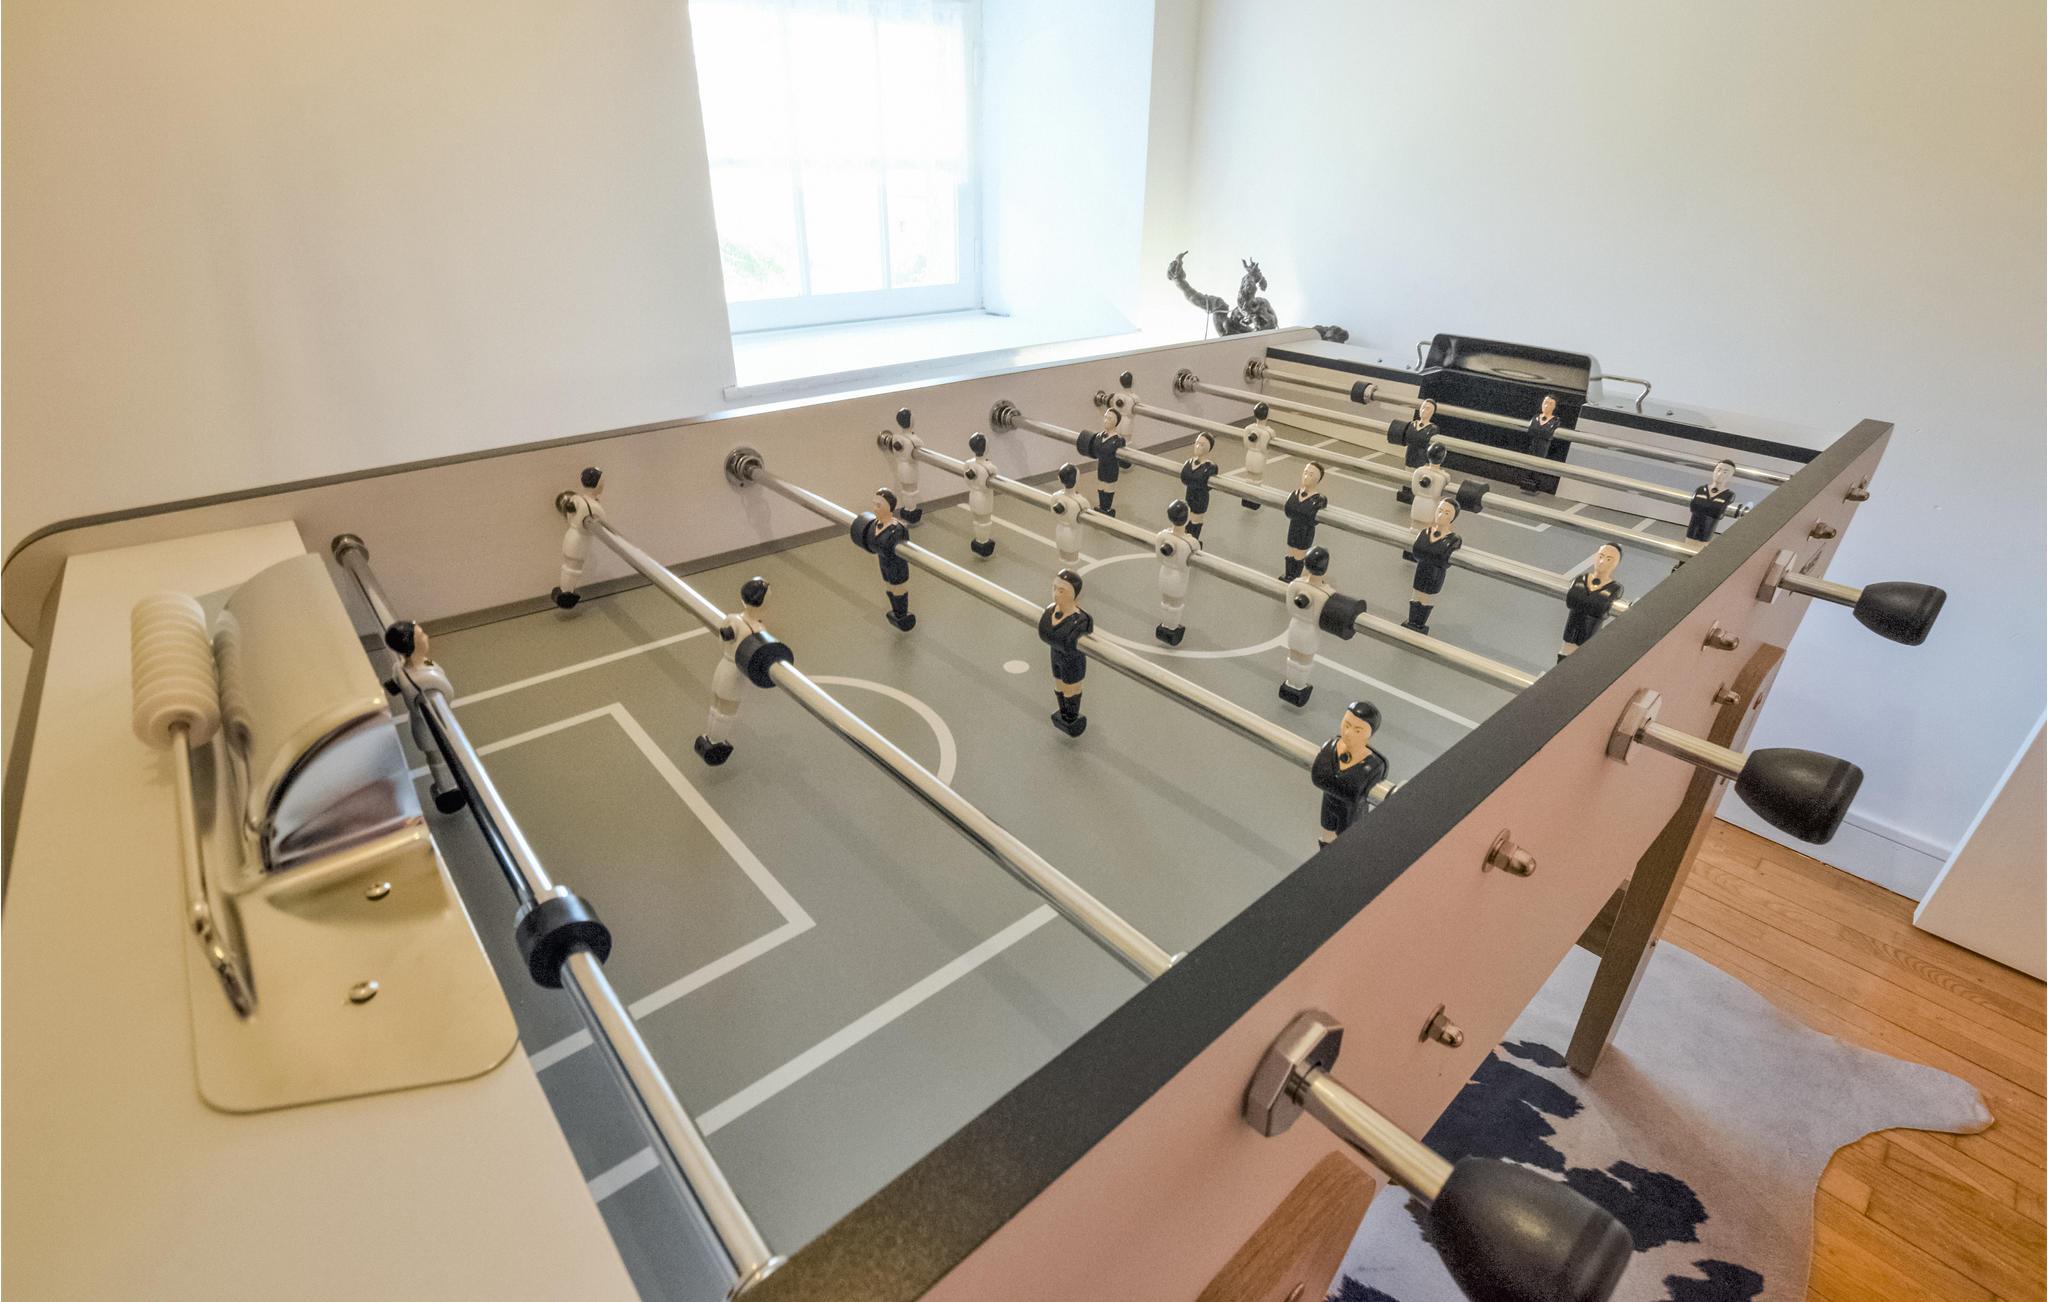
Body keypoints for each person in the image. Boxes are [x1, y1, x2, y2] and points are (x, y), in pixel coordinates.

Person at [384, 621, 466, 814]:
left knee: (441, 757)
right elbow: (447, 694)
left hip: (425, 723)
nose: (426, 637)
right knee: (438, 759)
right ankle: (447, 789)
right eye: (421, 635)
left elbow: (394, 684)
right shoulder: (427, 680)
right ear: (411, 643)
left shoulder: (403, 666)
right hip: (432, 727)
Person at [694, 577, 771, 765]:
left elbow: (722, 641)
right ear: (761, 602)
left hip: (723, 665)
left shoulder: (731, 618)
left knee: (716, 705)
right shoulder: (757, 629)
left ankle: (709, 737)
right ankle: (716, 742)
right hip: (736, 673)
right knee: (727, 710)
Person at [1312, 700, 1388, 849]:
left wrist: (1334, 784)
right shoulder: (1330, 747)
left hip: (1351, 814)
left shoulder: (1374, 766)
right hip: (1329, 805)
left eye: (1357, 730)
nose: (1348, 733)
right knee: (1327, 835)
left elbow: (1325, 779)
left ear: (1369, 734)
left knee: (1347, 842)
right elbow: (1318, 778)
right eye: (1346, 725)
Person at [1039, 569, 1094, 736]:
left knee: (1071, 688)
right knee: (1058, 685)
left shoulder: (1082, 620)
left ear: (1074, 594)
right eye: (1054, 588)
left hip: (1072, 661)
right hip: (1056, 654)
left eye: (1061, 590)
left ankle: (1071, 715)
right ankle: (1063, 711)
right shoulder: (1050, 611)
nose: (1056, 594)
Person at [855, 488, 916, 630]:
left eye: (879, 505)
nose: (875, 508)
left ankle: (901, 613)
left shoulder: (898, 529)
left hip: (897, 566)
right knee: (889, 586)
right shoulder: (874, 525)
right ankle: (895, 611)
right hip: (884, 562)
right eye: (874, 504)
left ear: (890, 507)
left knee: (897, 588)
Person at [1403, 497, 1464, 634]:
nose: (1441, 515)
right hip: (1421, 570)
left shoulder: (1453, 539)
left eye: (1447, 513)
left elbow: (1442, 559)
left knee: (1425, 598)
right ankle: (1412, 621)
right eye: (1439, 510)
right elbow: (1417, 552)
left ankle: (1419, 623)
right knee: (1416, 596)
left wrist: (1429, 554)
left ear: (1453, 517)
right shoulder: (1425, 532)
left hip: (1434, 574)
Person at [551, 466, 606, 609]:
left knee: (568, 566)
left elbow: (570, 509)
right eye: (602, 482)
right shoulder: (594, 507)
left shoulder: (576, 499)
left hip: (571, 536)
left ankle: (566, 591)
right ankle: (566, 594)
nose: (603, 485)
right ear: (597, 484)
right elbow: (603, 524)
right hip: (579, 540)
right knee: (573, 568)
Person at [1558, 545, 1624, 661]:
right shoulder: (1580, 580)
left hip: (1587, 646)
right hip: (1567, 642)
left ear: (1616, 564)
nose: (1602, 562)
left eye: (1609, 559)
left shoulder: (1614, 589)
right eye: (1600, 556)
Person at [1155, 500, 1199, 646]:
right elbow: (1191, 557)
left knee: (1165, 602)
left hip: (1164, 572)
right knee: (1175, 604)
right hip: (1179, 577)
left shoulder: (1161, 536)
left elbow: (1159, 557)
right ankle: (1172, 627)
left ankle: (1164, 624)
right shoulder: (1189, 542)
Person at [1078, 402, 1129, 516]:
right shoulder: (1099, 436)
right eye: (1105, 417)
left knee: (1108, 488)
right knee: (1101, 487)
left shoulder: (1118, 440)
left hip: (1111, 469)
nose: (1106, 420)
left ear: (1116, 422)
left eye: (1109, 419)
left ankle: (1107, 508)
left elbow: (1123, 459)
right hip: (1101, 467)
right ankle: (1102, 507)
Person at [1281, 461, 1329, 580]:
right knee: (1291, 552)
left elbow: (1311, 518)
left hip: (1305, 531)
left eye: (1311, 474)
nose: (1306, 476)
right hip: (1293, 527)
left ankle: (1295, 577)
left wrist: (1300, 513)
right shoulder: (1294, 493)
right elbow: (1289, 510)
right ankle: (1288, 574)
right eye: (1305, 472)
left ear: (1318, 479)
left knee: (1299, 554)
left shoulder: (1319, 499)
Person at [879, 408, 924, 524]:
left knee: (905, 490)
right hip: (910, 469)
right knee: (912, 491)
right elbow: (921, 445)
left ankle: (907, 510)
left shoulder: (896, 437)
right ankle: (911, 511)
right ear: (911, 421)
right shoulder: (913, 440)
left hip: (901, 468)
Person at [1394, 399, 1441, 503]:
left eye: (1427, 409)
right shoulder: (1412, 425)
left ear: (1432, 412)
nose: (1424, 410)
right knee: (1407, 477)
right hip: (1410, 456)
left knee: (1418, 479)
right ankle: (1406, 493)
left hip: (1421, 459)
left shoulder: (1433, 429)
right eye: (1422, 407)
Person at [1179, 431, 1219, 539]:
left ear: (1209, 448)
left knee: (1195, 521)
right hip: (1189, 495)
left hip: (1200, 498)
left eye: (1202, 445)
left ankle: (1194, 540)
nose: (1197, 447)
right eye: (1197, 443)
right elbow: (1184, 478)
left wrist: (1194, 481)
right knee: (1187, 519)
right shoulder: (1189, 462)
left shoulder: (1210, 467)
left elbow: (1205, 484)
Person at [963, 432, 998, 558]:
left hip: (973, 495)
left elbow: (967, 479)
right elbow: (995, 474)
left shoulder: (968, 464)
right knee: (985, 521)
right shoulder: (989, 467)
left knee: (977, 520)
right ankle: (984, 541)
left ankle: (979, 540)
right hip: (984, 497)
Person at [1686, 460, 1738, 542]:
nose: (1720, 474)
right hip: (1691, 532)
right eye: (1718, 470)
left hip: (1706, 534)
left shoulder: (1729, 495)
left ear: (1730, 476)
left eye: (1725, 472)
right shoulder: (1700, 490)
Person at [1049, 463, 1089, 566]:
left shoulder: (1055, 496)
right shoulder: (1080, 501)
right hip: (1073, 532)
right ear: (1076, 479)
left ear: (1059, 479)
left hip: (1059, 529)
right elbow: (1080, 518)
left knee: (1062, 556)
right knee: (1072, 559)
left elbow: (1053, 513)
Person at [1523, 393, 1563, 491]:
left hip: (1544, 447)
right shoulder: (1536, 417)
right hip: (1533, 445)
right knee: (1530, 461)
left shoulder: (1555, 421)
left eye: (1550, 404)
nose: (1546, 406)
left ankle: (1536, 481)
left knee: (1540, 464)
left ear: (1555, 407)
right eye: (1545, 402)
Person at [1240, 402, 1275, 507]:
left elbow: (1246, 444)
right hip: (1259, 456)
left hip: (1249, 454)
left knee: (1249, 477)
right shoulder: (1267, 432)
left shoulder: (1248, 429)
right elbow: (1264, 448)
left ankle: (1246, 499)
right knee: (1257, 478)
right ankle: (1254, 501)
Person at [1408, 443, 1450, 528]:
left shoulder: (1419, 471)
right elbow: (1438, 493)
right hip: (1431, 503)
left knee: (1415, 525)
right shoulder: (1443, 477)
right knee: (1428, 527)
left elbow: (1414, 490)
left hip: (1418, 501)